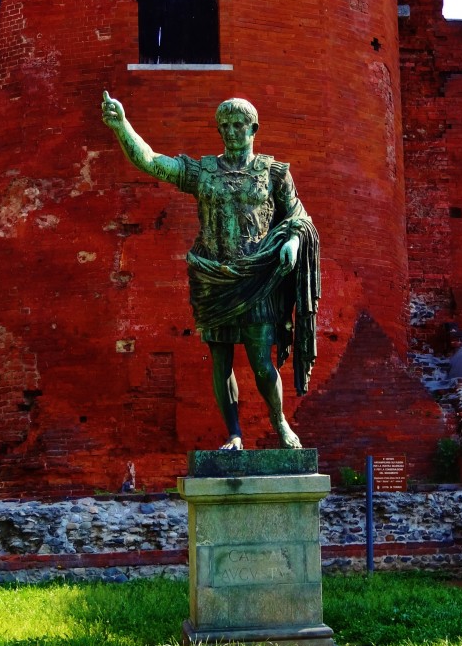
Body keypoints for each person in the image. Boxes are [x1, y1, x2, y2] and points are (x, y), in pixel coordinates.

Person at [101, 91, 320, 450]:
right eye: (225, 126)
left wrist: (293, 243)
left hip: (256, 277)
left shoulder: (274, 173)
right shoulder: (204, 171)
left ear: (254, 129)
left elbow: (299, 217)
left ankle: (279, 421)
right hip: (211, 276)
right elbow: (153, 162)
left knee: (262, 363)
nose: (231, 132)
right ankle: (234, 434)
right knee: (220, 360)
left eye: (238, 126)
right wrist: (121, 125)